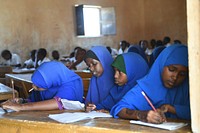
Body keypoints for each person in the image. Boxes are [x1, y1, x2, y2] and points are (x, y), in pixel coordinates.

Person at [110, 44, 190, 124]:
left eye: (182, 74)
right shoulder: (146, 87)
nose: (175, 77)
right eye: (172, 69)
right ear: (161, 65)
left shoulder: (189, 90)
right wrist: (141, 115)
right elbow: (119, 109)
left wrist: (170, 108)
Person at [1, 61, 84, 111]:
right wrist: (23, 101)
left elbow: (58, 103)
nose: (33, 87)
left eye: (38, 86)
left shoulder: (72, 84)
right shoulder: (50, 81)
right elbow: (37, 100)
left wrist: (21, 107)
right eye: (34, 84)